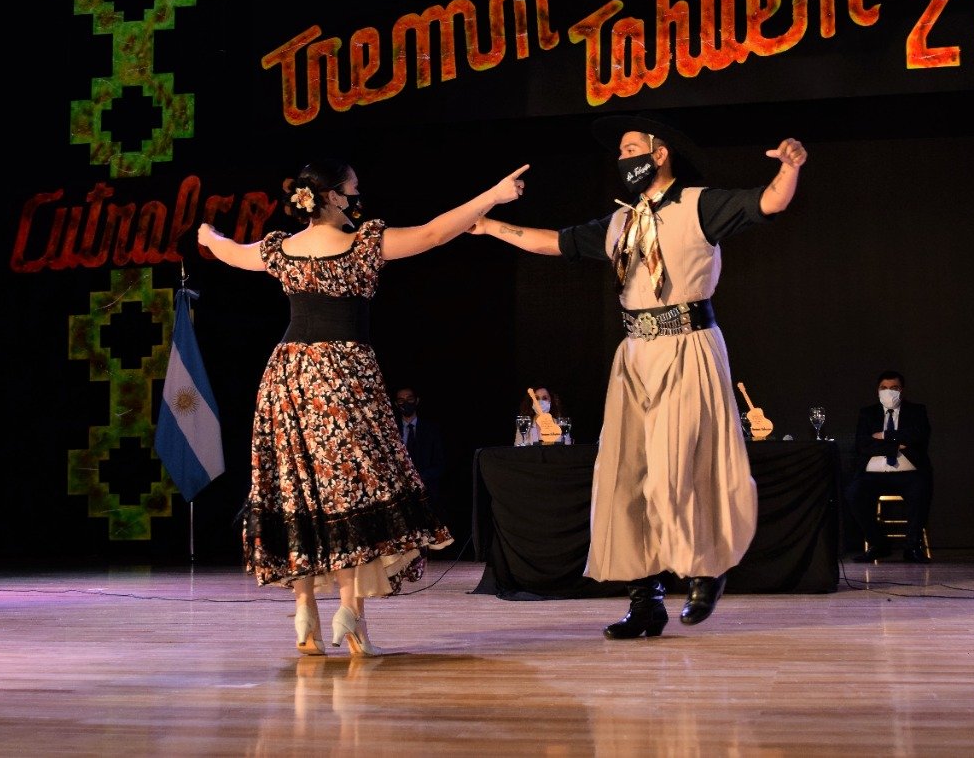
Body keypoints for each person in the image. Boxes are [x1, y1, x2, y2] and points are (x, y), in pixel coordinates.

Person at [468, 111, 807, 638]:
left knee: (680, 467)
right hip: (634, 356)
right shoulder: (620, 223)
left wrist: (789, 167)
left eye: (631, 148)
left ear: (660, 152)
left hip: (687, 344)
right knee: (627, 474)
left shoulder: (698, 204)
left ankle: (705, 568)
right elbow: (552, 242)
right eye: (621, 152)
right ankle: (645, 600)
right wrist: (490, 225)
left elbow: (768, 203)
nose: (623, 158)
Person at [198, 158, 528, 656]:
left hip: (289, 373)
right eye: (352, 187)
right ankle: (350, 613)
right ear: (332, 196)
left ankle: (305, 613)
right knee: (350, 487)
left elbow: (230, 253)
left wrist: (209, 234)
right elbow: (435, 233)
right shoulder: (363, 244)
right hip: (343, 373)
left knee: (299, 488)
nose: (358, 194)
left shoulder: (280, 249)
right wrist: (493, 195)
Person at [845, 370, 933, 564]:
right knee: (853, 493)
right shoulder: (867, 413)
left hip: (908, 473)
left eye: (894, 388)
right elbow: (863, 445)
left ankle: (912, 547)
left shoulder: (917, 411)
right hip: (873, 475)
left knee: (921, 489)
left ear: (902, 390)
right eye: (884, 388)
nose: (888, 392)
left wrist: (884, 436)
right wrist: (897, 444)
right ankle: (879, 544)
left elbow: (918, 436)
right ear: (877, 390)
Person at [392, 386, 448, 523]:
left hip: (429, 494)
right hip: (401, 495)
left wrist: (419, 478)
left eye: (409, 399)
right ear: (396, 404)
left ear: (417, 400)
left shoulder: (432, 429)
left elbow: (441, 463)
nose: (405, 403)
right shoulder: (391, 431)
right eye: (401, 400)